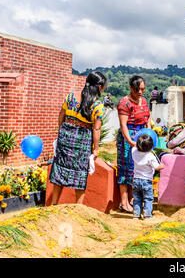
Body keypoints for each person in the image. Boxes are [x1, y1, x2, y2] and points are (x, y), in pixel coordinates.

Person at [49, 71, 107, 205]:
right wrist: (96, 149)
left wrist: (62, 132)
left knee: (59, 168)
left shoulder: (70, 97)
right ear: (99, 87)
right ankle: (78, 207)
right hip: (83, 140)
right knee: (80, 173)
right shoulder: (97, 106)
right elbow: (96, 129)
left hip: (65, 135)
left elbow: (61, 115)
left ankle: (53, 204)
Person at [116, 75, 152, 213]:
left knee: (139, 168)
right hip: (128, 138)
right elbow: (123, 124)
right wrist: (130, 142)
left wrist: (149, 134)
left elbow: (147, 118)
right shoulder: (124, 103)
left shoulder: (143, 101)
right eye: (137, 89)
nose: (140, 92)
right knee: (126, 168)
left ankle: (134, 200)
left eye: (143, 89)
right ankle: (124, 203)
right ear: (131, 88)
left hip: (142, 136)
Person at [131, 133, 164, 220]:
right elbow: (157, 167)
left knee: (137, 198)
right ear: (151, 146)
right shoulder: (150, 156)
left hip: (136, 179)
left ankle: (136, 215)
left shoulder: (134, 152)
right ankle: (147, 215)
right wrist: (162, 166)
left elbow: (134, 146)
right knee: (148, 198)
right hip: (146, 181)